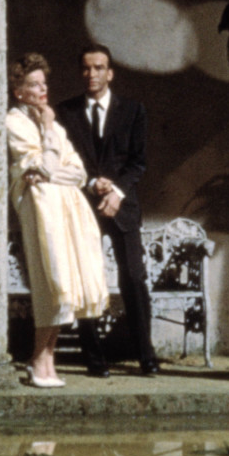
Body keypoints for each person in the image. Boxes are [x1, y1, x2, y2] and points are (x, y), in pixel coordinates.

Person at [57, 45, 159, 377]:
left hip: (123, 208)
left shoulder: (133, 111)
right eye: (86, 68)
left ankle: (146, 355)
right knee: (87, 279)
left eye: (99, 67)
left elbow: (138, 163)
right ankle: (94, 358)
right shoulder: (65, 112)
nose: (92, 74)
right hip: (83, 205)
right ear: (81, 72)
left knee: (134, 278)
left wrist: (116, 192)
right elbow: (65, 161)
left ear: (110, 73)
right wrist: (90, 183)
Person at [6, 53, 108, 387]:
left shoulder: (55, 127)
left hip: (66, 208)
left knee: (66, 282)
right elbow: (44, 166)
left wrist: (48, 169)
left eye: (44, 83)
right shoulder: (15, 123)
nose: (42, 89)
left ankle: (47, 359)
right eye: (34, 84)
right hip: (39, 207)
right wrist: (48, 140)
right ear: (19, 92)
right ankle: (38, 358)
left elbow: (78, 173)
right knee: (51, 280)